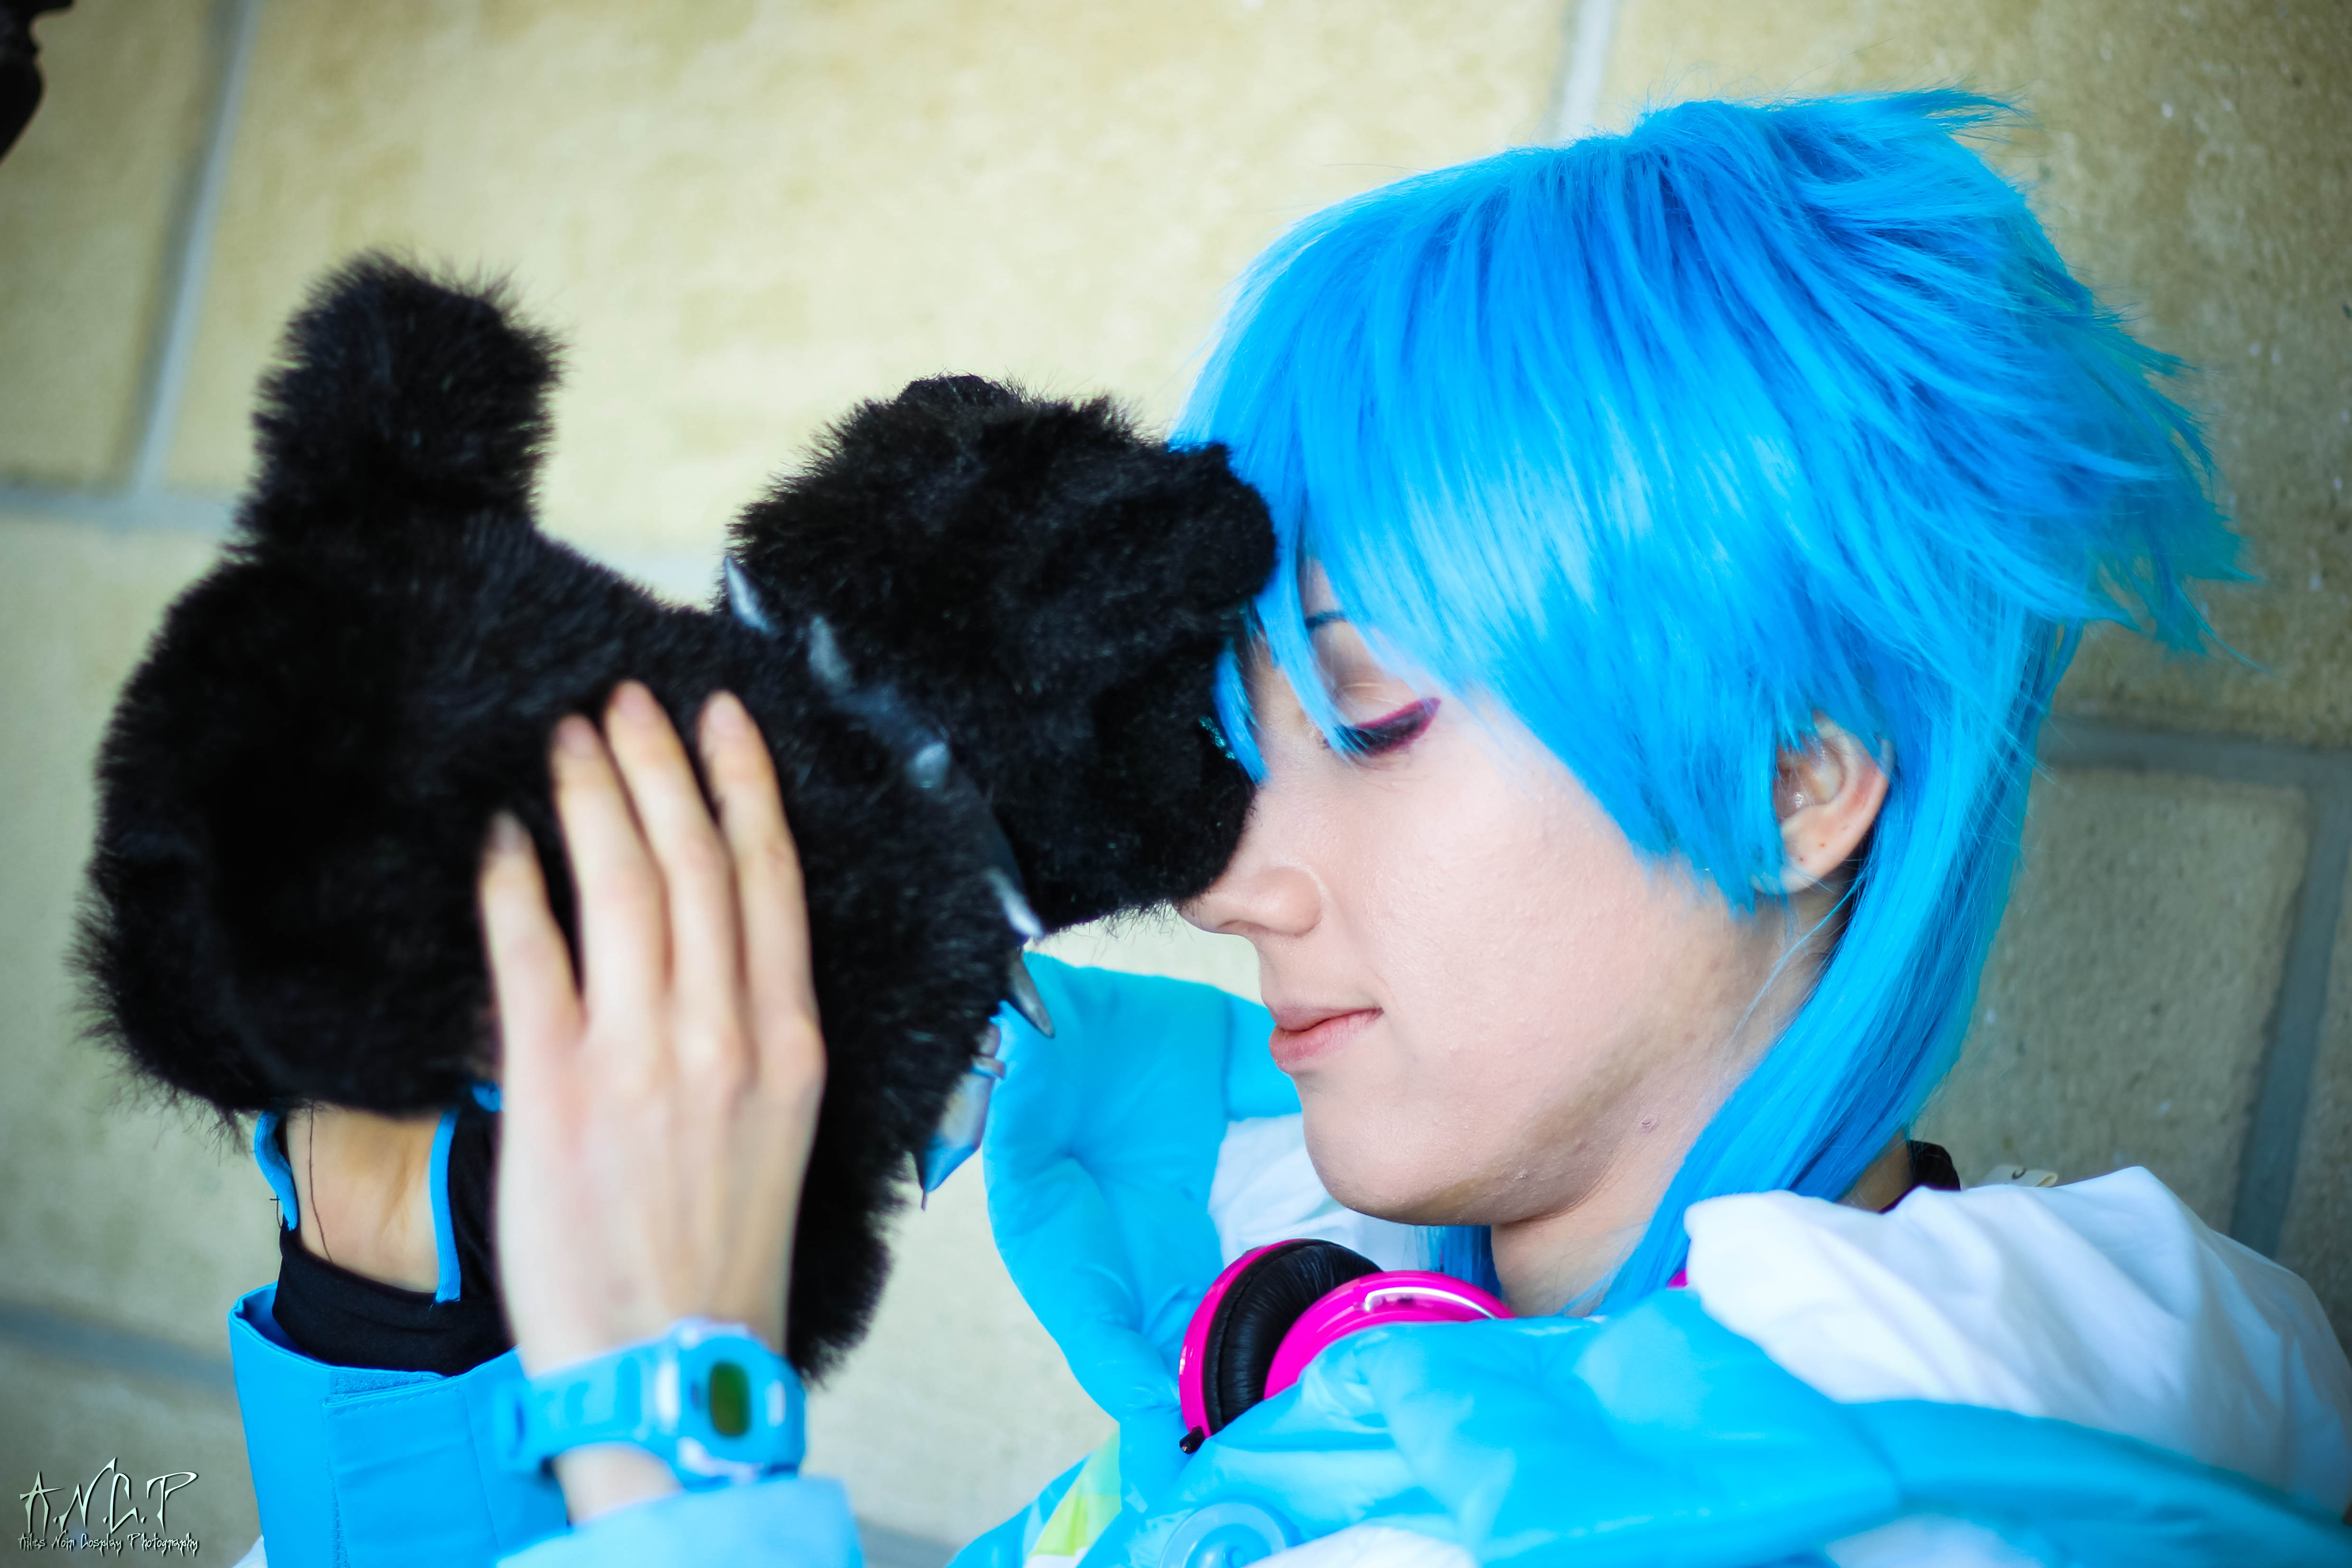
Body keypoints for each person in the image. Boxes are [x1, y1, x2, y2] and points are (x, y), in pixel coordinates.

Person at [225, 91, 2352, 1567]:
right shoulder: (1319, 1362)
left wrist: (671, 1422)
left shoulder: (1952, 1499)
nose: (1232, 876)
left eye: (1376, 718)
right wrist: (394, 1292)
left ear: (1793, 775)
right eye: (1238, 742)